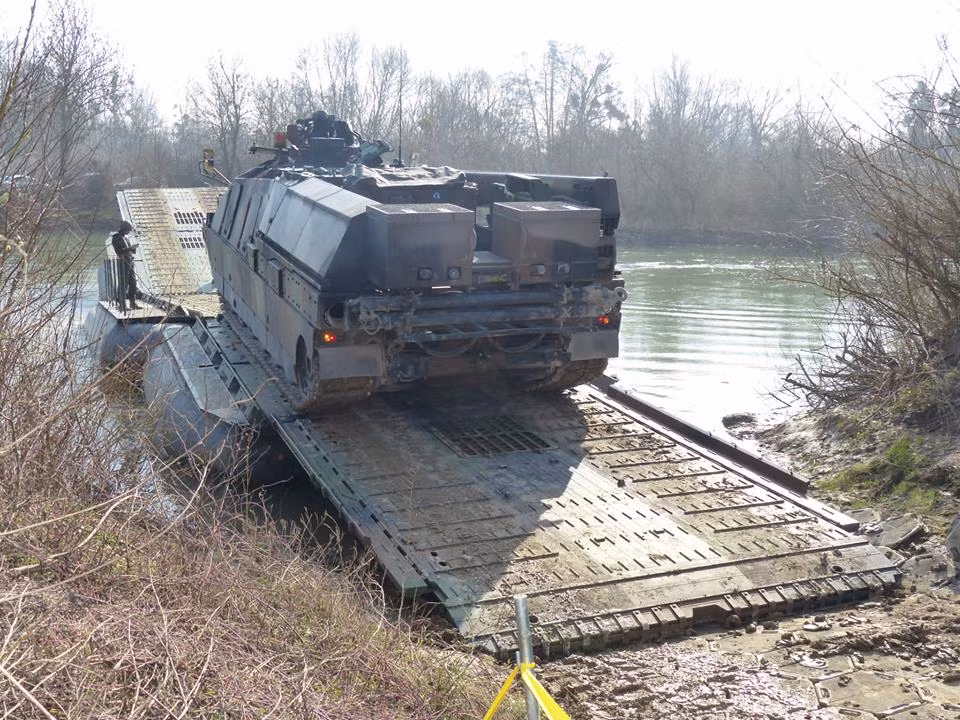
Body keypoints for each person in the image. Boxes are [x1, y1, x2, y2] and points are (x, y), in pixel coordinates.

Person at [110, 220, 140, 311]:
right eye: (128, 230)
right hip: (123, 262)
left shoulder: (125, 238)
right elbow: (119, 251)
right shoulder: (116, 238)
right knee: (123, 283)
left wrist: (133, 249)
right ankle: (122, 304)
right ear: (124, 229)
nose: (128, 232)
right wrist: (130, 248)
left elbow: (129, 249)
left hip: (130, 261)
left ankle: (132, 303)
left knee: (133, 282)